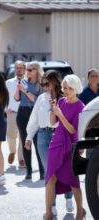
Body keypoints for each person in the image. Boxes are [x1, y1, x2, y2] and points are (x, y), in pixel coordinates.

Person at [25, 70, 74, 216]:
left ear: (55, 83)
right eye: (43, 84)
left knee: (64, 169)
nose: (45, 87)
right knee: (50, 172)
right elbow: (34, 119)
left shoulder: (64, 99)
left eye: (47, 83)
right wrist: (28, 137)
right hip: (43, 137)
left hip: (60, 136)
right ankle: (51, 205)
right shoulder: (40, 98)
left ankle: (68, 196)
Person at [44, 75, 86, 220]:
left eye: (70, 88)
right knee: (50, 178)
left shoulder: (81, 107)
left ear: (76, 89)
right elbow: (52, 122)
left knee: (73, 181)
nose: (67, 91)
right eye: (65, 88)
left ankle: (80, 211)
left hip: (70, 146)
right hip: (56, 143)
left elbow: (73, 130)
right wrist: (53, 110)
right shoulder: (61, 101)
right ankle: (48, 212)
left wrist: (60, 114)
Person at [15, 61, 44, 180]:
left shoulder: (41, 84)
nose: (28, 72)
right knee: (25, 142)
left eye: (30, 69)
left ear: (37, 71)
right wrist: (19, 88)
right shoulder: (24, 82)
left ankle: (42, 171)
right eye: (27, 69)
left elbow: (37, 101)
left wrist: (25, 91)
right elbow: (16, 98)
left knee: (38, 143)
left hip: (35, 114)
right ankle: (29, 171)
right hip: (22, 113)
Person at [5, 60, 25, 167]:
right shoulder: (8, 83)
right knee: (11, 136)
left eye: (21, 67)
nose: (19, 69)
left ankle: (21, 158)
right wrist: (5, 108)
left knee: (22, 137)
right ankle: (12, 151)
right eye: (17, 67)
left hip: (24, 113)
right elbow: (4, 97)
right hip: (12, 113)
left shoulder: (28, 83)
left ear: (24, 69)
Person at [78, 68, 98, 159]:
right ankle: (90, 169)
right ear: (88, 78)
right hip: (90, 124)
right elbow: (80, 108)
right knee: (90, 148)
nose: (94, 78)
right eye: (92, 76)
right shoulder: (83, 92)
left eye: (96, 76)